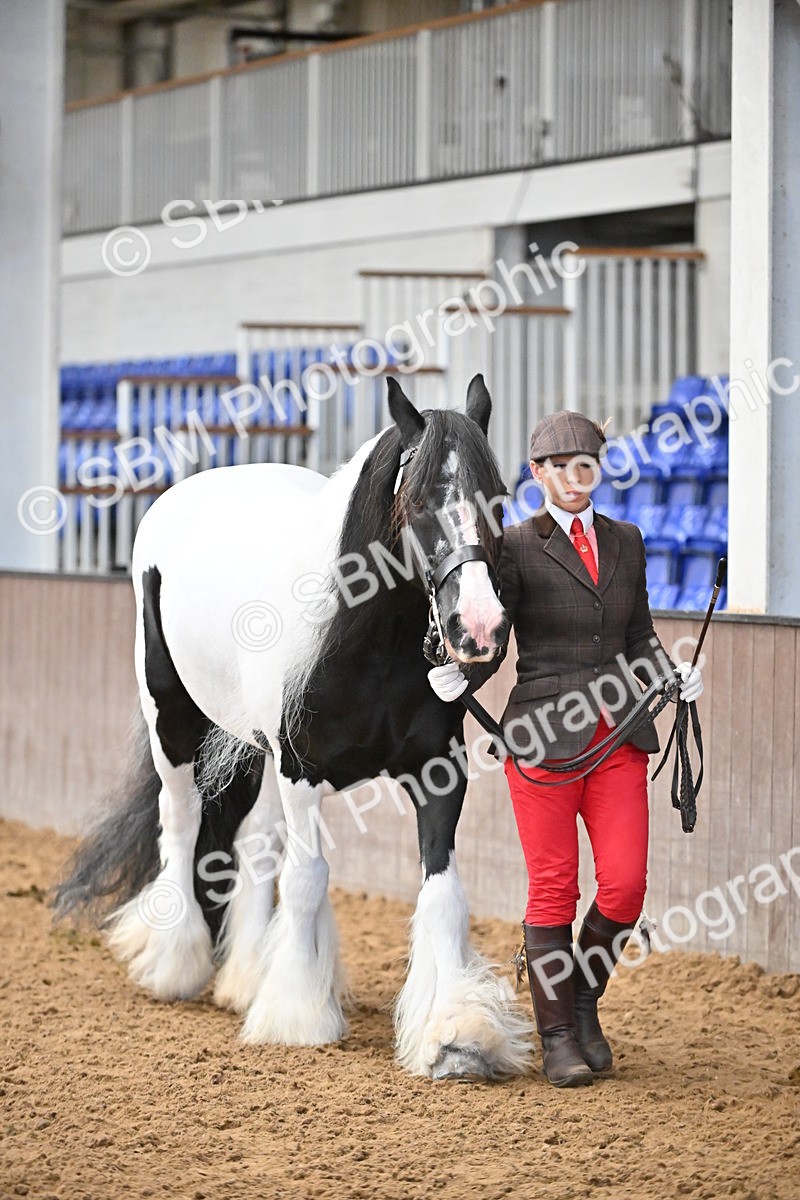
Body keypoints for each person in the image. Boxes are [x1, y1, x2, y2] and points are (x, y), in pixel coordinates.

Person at [428, 411, 703, 1088]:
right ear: (538, 474)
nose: (575, 479)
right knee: (554, 887)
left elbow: (637, 636)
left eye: (586, 466)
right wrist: (461, 674)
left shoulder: (629, 541)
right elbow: (495, 638)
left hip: (619, 735)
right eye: (560, 468)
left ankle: (582, 1003)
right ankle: (558, 1038)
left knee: (626, 884)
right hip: (544, 737)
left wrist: (673, 673)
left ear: (598, 470)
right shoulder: (516, 545)